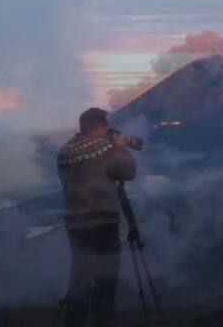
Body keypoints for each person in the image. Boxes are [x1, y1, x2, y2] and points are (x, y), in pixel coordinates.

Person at [57, 108, 137, 327]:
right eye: (106, 127)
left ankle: (73, 322)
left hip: (75, 223)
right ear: (101, 126)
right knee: (106, 278)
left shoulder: (63, 151)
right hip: (103, 221)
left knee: (80, 278)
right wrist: (120, 148)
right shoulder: (104, 148)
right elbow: (128, 172)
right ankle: (102, 322)